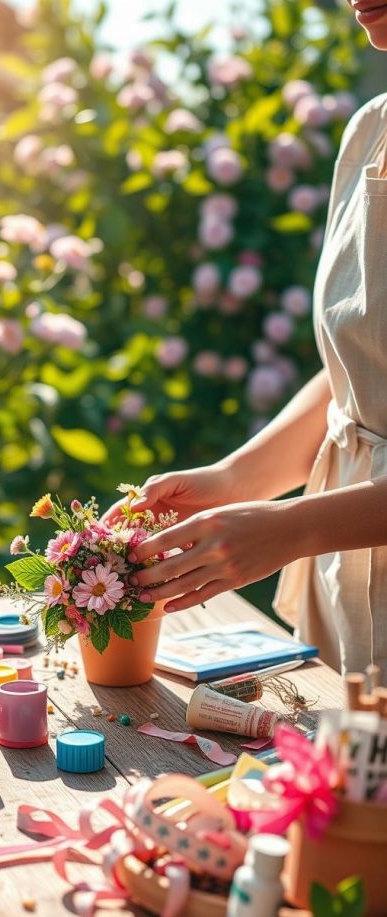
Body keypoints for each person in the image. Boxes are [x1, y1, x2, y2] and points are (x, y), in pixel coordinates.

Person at [105, 1, 387, 676]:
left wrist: (295, 526)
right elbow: (361, 374)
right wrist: (234, 479)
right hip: (344, 582)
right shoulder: (369, 130)